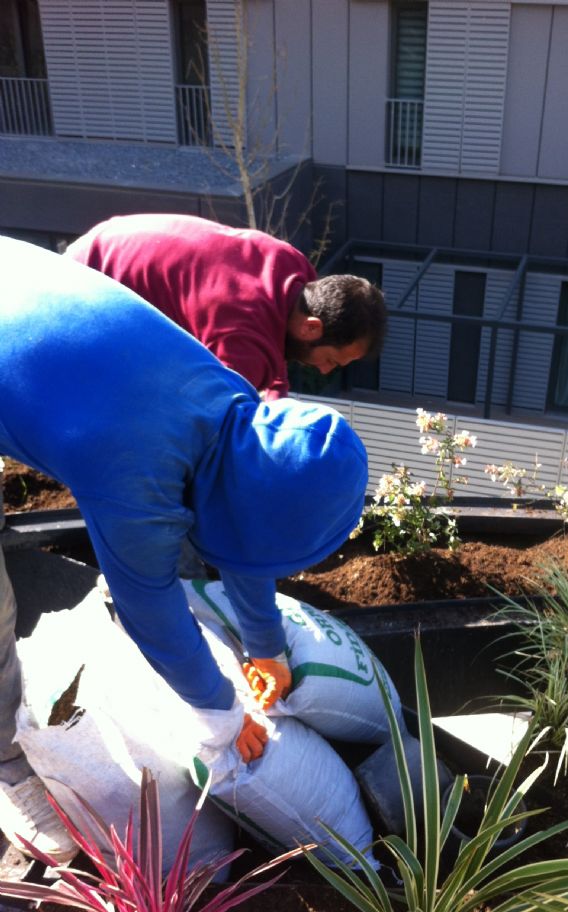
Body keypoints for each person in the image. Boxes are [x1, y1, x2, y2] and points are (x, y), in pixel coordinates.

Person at [0, 236, 368, 858]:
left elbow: (246, 533)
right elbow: (149, 606)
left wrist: (265, 643)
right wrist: (220, 714)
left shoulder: (231, 403)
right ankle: (10, 767)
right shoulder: (136, 466)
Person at [66, 213, 387, 399]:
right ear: (311, 327)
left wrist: (277, 396)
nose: (325, 370)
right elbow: (211, 424)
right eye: (330, 360)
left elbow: (271, 349)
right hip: (85, 287)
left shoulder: (293, 268)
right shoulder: (241, 339)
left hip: (111, 236)